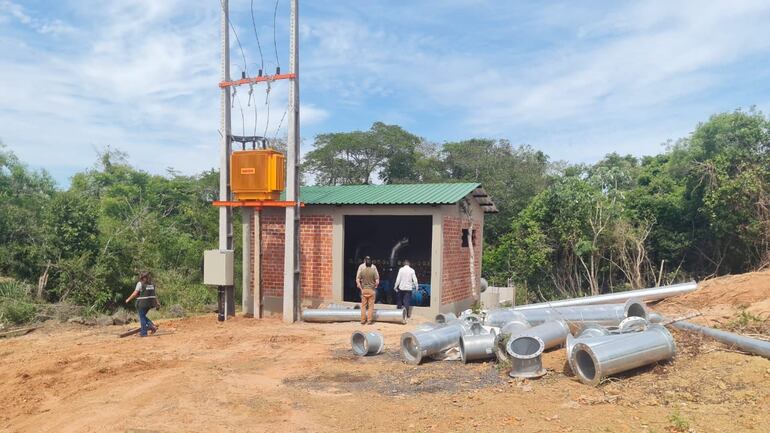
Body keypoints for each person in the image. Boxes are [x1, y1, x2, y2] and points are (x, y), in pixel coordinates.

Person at [125, 271, 160, 337]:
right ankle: (152, 326)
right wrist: (157, 303)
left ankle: (144, 333)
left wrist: (128, 299)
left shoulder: (140, 283)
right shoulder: (152, 284)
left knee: (142, 318)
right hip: (150, 304)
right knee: (143, 316)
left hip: (142, 303)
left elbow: (135, 293)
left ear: (143, 277)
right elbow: (154, 295)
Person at [356, 256, 379, 325]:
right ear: (371, 263)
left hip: (364, 290)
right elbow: (377, 281)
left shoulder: (362, 271)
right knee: (371, 306)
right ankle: (369, 320)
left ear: (365, 263)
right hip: (371, 290)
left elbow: (357, 279)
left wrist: (360, 288)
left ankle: (363, 320)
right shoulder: (373, 270)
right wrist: (375, 287)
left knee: (363, 306)